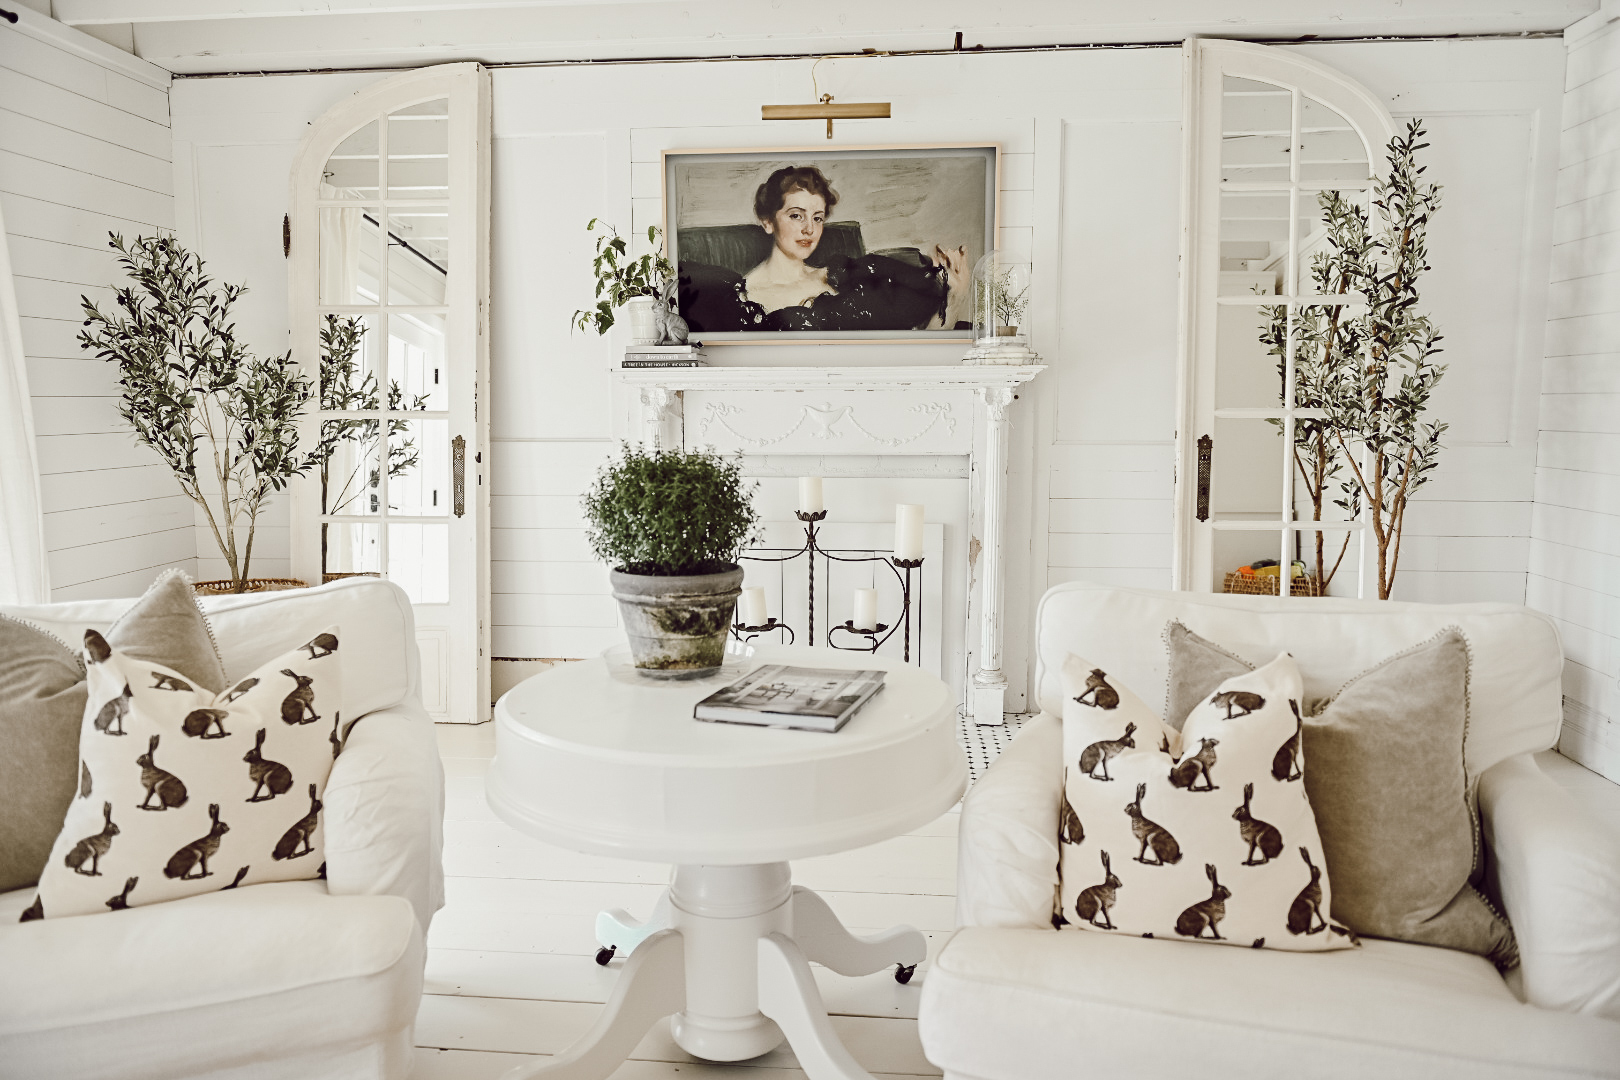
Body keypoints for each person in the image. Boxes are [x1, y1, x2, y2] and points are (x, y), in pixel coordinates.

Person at [743, 166, 839, 314]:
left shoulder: (833, 278)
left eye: (817, 218)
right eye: (796, 216)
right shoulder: (749, 295)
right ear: (768, 222)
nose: (809, 229)